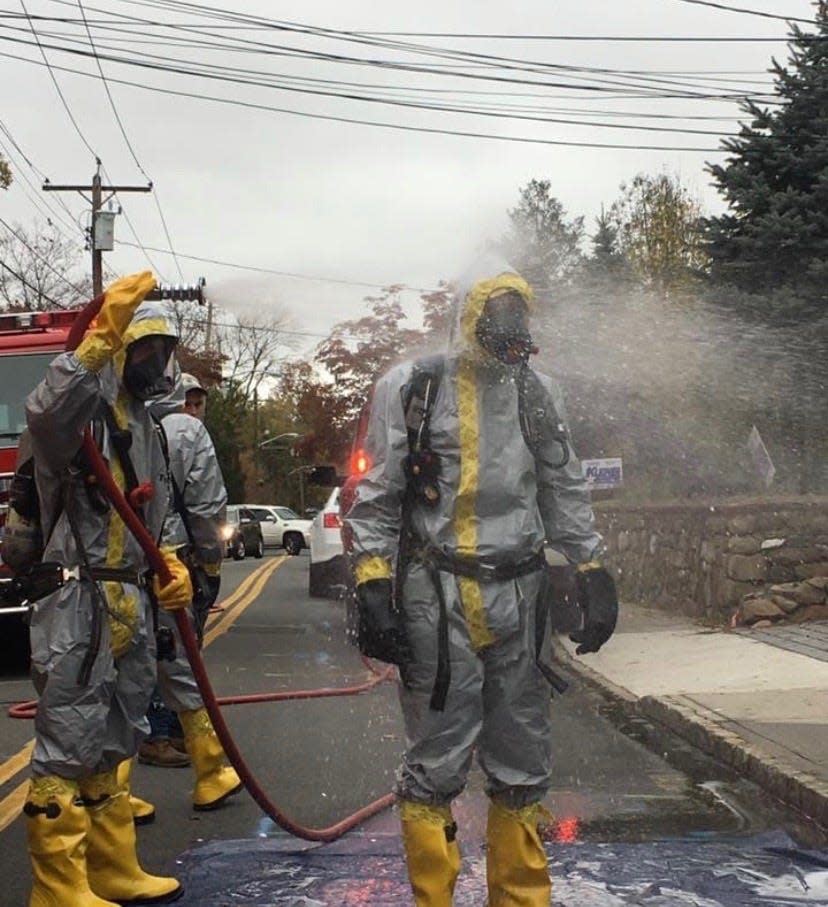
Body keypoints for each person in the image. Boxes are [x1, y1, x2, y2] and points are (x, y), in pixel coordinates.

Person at [343, 254, 617, 907]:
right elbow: (377, 495)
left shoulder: (535, 389)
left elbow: (562, 484)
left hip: (521, 596)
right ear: (470, 318)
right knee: (436, 758)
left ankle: (520, 898)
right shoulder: (413, 388)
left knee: (524, 755)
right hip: (436, 599)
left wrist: (591, 565)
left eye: (521, 315)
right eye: (501, 316)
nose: (513, 329)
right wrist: (374, 582)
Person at [23, 272, 192, 906]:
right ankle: (58, 887)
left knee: (115, 739)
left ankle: (111, 866)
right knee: (67, 743)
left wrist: (168, 568)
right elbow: (44, 414)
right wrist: (92, 345)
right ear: (122, 349)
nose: (156, 364)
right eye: (145, 350)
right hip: (77, 597)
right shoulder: (83, 412)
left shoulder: (145, 426)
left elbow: (156, 518)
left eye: (164, 353)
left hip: (128, 595)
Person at [129, 372, 240, 813]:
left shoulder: (119, 419)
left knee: (125, 671)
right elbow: (206, 505)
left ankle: (113, 798)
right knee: (177, 660)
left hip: (117, 567)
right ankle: (210, 772)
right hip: (172, 562)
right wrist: (210, 557)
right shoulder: (187, 431)